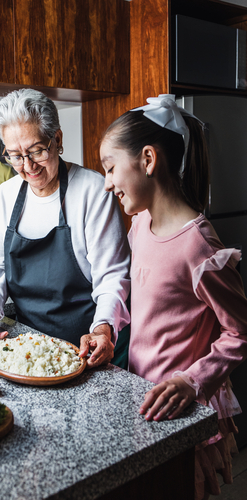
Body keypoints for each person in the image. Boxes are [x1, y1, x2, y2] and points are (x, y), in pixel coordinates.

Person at [100, 94, 247, 499]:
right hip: (143, 398)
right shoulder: (140, 225)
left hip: (181, 408)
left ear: (148, 159)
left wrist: (192, 381)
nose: (107, 182)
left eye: (111, 168)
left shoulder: (198, 245)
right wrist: (108, 331)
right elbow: (141, 299)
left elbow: (240, 333)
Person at [0, 88, 130, 368]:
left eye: (36, 151)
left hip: (88, 346)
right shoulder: (7, 194)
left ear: (57, 138)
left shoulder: (92, 190)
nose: (28, 166)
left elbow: (112, 277)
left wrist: (103, 328)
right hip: (34, 350)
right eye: (15, 156)